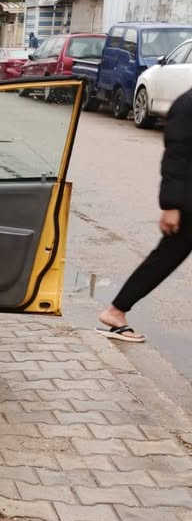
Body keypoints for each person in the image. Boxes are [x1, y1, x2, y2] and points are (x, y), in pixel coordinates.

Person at [97, 85, 192, 342]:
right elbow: (175, 158)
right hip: (187, 204)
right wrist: (171, 205)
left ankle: (116, 310)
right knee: (165, 258)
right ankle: (115, 311)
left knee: (165, 258)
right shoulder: (187, 105)